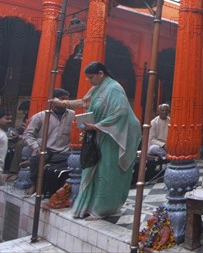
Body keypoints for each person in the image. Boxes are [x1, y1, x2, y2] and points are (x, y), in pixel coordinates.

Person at [53, 61, 141, 220]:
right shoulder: (97, 88)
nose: (89, 81)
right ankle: (88, 205)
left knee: (106, 171)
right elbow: (83, 102)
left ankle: (104, 209)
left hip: (114, 135)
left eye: (91, 77)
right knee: (93, 169)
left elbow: (120, 112)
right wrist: (62, 103)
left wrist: (97, 126)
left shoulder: (114, 88)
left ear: (101, 73)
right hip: (99, 134)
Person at [23, 88, 74, 195]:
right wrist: (36, 147)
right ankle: (35, 184)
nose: (64, 102)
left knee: (76, 160)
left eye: (66, 99)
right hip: (45, 150)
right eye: (61, 99)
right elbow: (28, 134)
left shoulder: (72, 115)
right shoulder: (40, 116)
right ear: (53, 100)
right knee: (38, 158)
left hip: (64, 152)